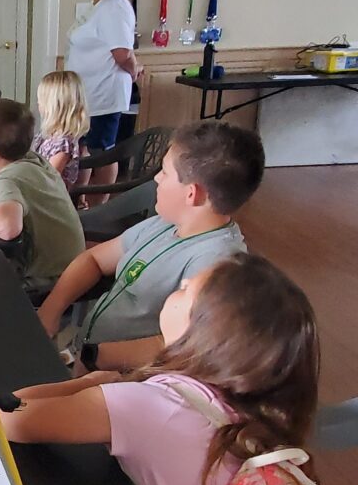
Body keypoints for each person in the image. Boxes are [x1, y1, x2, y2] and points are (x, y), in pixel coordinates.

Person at [0, 253, 319, 485]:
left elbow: (13, 416)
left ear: (207, 331)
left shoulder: (155, 406)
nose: (175, 292)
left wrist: (84, 384)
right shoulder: (263, 412)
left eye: (184, 290)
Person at [37, 121, 265, 373]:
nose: (156, 177)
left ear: (192, 194)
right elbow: (94, 259)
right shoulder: (166, 223)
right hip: (90, 356)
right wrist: (51, 310)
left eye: (164, 172)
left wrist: (98, 356)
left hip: (125, 380)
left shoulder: (216, 263)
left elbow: (189, 345)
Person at [0, 98, 85, 290]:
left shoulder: (8, 180)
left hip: (53, 275)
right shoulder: (32, 160)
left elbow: (8, 229)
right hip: (75, 263)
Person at [65, 0, 137, 204]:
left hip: (103, 94)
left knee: (102, 151)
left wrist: (135, 71)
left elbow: (122, 53)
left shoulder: (115, 7)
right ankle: (80, 198)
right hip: (85, 95)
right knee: (81, 149)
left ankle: (101, 205)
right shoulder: (99, 6)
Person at [31, 70, 90, 201]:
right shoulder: (50, 135)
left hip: (51, 200)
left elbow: (48, 177)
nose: (38, 104)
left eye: (41, 100)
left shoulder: (63, 144)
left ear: (54, 106)